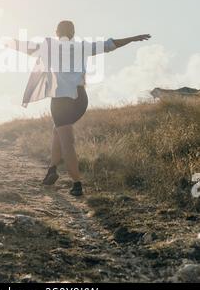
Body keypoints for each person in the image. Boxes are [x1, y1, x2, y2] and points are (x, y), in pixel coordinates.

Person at [8, 21, 151, 196]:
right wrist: (134, 38)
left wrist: (2, 40)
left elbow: (23, 47)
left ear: (56, 32)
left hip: (61, 101)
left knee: (67, 142)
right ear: (73, 33)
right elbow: (110, 44)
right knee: (57, 132)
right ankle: (52, 170)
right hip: (80, 100)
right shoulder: (82, 47)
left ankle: (77, 184)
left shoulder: (48, 47)